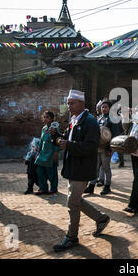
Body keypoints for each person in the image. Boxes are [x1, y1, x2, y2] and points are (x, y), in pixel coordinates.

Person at [53, 90, 110, 252]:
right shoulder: (74, 119)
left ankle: (71, 237)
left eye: (72, 103)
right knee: (75, 199)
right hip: (73, 166)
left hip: (83, 167)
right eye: (68, 103)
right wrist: (56, 136)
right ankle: (101, 218)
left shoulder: (90, 122)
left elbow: (91, 147)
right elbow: (68, 139)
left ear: (82, 104)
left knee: (72, 202)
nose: (69, 106)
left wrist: (68, 145)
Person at [85, 100, 121, 195]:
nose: (103, 109)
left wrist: (110, 148)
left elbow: (115, 134)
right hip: (97, 147)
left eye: (105, 107)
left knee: (105, 167)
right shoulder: (99, 118)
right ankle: (91, 186)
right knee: (95, 167)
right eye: (102, 107)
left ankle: (107, 186)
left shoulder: (113, 119)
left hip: (106, 147)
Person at [34, 111, 60, 195]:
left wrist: (56, 152)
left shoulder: (55, 128)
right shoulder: (44, 128)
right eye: (44, 117)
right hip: (43, 153)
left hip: (51, 153)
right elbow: (41, 141)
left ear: (52, 119)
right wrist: (38, 151)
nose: (45, 119)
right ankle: (43, 188)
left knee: (51, 172)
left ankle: (53, 188)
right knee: (39, 170)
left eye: (47, 117)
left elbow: (57, 141)